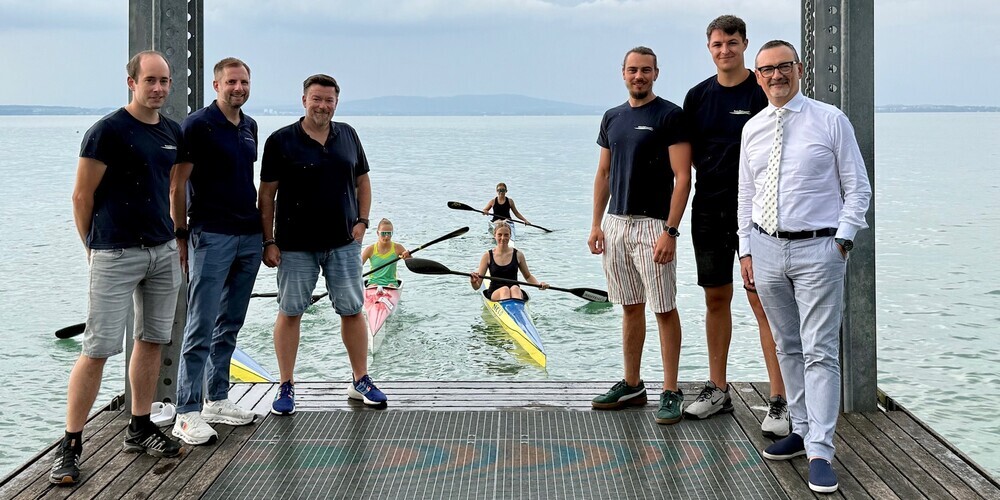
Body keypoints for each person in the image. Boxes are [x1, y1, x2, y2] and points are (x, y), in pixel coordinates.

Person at [738, 40, 871, 494]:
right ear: (757, 77)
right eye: (766, 70)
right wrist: (746, 250)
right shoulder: (752, 128)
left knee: (820, 351)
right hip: (765, 248)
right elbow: (746, 196)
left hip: (819, 250)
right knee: (786, 346)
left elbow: (857, 187)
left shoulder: (830, 120)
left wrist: (844, 240)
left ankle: (821, 450)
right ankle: (798, 429)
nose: (775, 76)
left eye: (783, 67)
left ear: (800, 68)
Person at [51, 50, 183, 485]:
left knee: (151, 341)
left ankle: (139, 425)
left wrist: (173, 239)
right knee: (98, 349)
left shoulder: (170, 132)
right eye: (150, 81)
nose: (159, 88)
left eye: (164, 81)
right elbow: (80, 197)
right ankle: (70, 444)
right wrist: (93, 247)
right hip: (115, 253)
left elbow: (166, 189)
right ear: (132, 82)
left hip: (162, 251)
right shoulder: (106, 132)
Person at [681, 15, 790, 437]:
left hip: (758, 214)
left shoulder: (760, 90)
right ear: (708, 48)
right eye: (716, 44)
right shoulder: (698, 96)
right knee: (715, 299)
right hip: (708, 210)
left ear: (745, 44)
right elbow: (689, 158)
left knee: (763, 303)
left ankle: (780, 400)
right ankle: (718, 390)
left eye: (731, 42)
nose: (724, 50)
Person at [259, 73, 385, 413]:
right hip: (294, 245)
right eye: (316, 99)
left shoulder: (348, 135)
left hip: (343, 242)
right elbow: (267, 195)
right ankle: (286, 385)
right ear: (304, 100)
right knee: (290, 312)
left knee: (352, 310)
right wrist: (268, 240)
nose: (323, 106)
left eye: (329, 100)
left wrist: (362, 222)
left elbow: (363, 181)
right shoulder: (281, 141)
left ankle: (360, 379)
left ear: (336, 103)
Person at [588, 46, 692, 425]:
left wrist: (671, 230)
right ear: (623, 73)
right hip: (616, 224)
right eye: (633, 70)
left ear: (656, 73)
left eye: (645, 70)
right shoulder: (612, 118)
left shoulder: (670, 116)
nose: (639, 76)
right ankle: (632, 384)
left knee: (663, 307)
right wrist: (596, 224)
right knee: (629, 306)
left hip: (654, 226)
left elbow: (684, 178)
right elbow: (603, 174)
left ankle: (670, 390)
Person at [169, 57, 262, 446]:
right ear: (216, 85)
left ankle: (217, 398)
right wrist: (181, 235)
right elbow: (177, 184)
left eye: (243, 82)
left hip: (248, 235)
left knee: (230, 322)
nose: (238, 88)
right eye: (231, 82)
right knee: (200, 324)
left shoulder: (250, 127)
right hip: (210, 234)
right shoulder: (198, 125)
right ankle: (186, 412)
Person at [470, 222, 548, 299]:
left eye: (506, 235)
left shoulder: (518, 254)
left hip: (515, 292)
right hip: (495, 292)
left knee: (515, 288)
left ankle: (516, 309)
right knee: (505, 290)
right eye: (499, 235)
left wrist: (539, 285)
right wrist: (473, 282)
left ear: (510, 236)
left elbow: (528, 276)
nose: (503, 238)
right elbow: (477, 287)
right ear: (495, 236)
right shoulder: (487, 256)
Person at [361, 218, 411, 287]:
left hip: (391, 285)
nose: (387, 236)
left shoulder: (398, 248)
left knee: (390, 286)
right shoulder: (370, 249)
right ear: (378, 233)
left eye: (389, 233)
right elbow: (357, 267)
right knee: (373, 286)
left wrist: (408, 256)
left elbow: (411, 264)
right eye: (383, 233)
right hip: (373, 284)